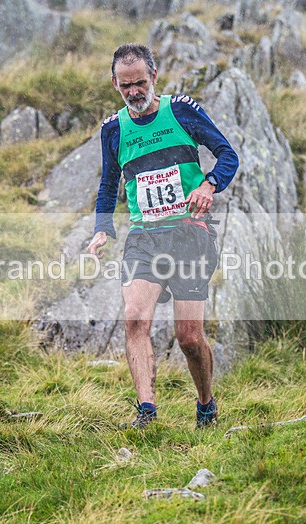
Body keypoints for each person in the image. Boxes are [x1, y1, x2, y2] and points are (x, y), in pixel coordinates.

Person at [86, 43, 239, 429]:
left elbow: (228, 155)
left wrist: (208, 186)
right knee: (135, 318)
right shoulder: (113, 130)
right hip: (145, 237)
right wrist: (103, 229)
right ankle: (147, 412)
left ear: (154, 76)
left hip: (189, 234)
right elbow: (108, 187)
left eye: (140, 83)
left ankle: (206, 403)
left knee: (188, 338)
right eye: (125, 87)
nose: (134, 92)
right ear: (115, 84)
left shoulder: (181, 111)